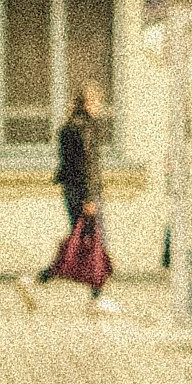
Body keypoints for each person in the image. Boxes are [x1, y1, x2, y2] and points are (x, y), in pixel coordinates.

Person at [40, 80, 115, 308]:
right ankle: (95, 296)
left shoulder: (68, 127)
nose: (99, 107)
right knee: (94, 243)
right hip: (86, 194)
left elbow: (67, 165)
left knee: (82, 242)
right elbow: (88, 165)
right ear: (87, 103)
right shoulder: (86, 128)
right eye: (96, 102)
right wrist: (90, 198)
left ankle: (42, 279)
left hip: (71, 192)